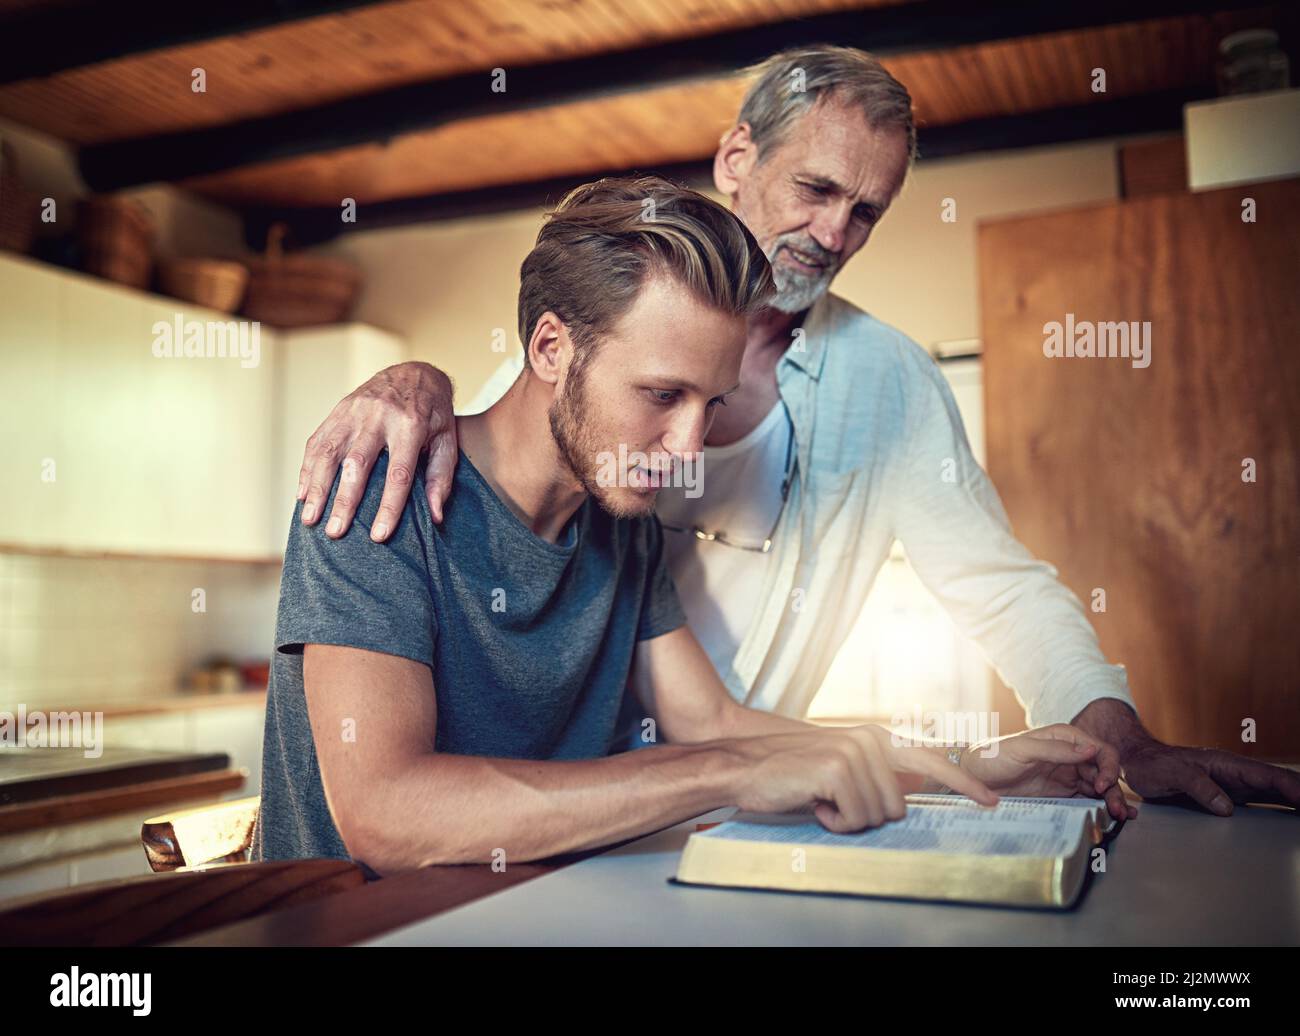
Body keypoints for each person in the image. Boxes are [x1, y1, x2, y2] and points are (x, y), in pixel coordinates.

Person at [293, 45, 1298, 819]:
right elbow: (504, 437)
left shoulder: (678, 480)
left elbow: (987, 594)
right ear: (738, 158)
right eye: (815, 190)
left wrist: (1009, 756)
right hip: (550, 838)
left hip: (664, 830)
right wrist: (405, 379)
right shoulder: (540, 400)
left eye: (867, 212)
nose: (832, 234)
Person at [253, 176, 1127, 874]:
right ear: (551, 348)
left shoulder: (619, 516)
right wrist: (732, 776)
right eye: (661, 395)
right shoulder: (378, 488)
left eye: (708, 403)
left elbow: (712, 722)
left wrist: (957, 770)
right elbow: (386, 813)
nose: (686, 448)